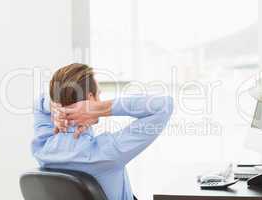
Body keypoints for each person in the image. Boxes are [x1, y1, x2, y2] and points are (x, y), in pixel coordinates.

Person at [32, 63, 173, 200]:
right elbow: (164, 106)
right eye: (98, 96)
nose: (100, 100)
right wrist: (100, 108)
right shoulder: (106, 152)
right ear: (90, 98)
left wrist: (58, 108)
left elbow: (39, 103)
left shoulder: (43, 147)